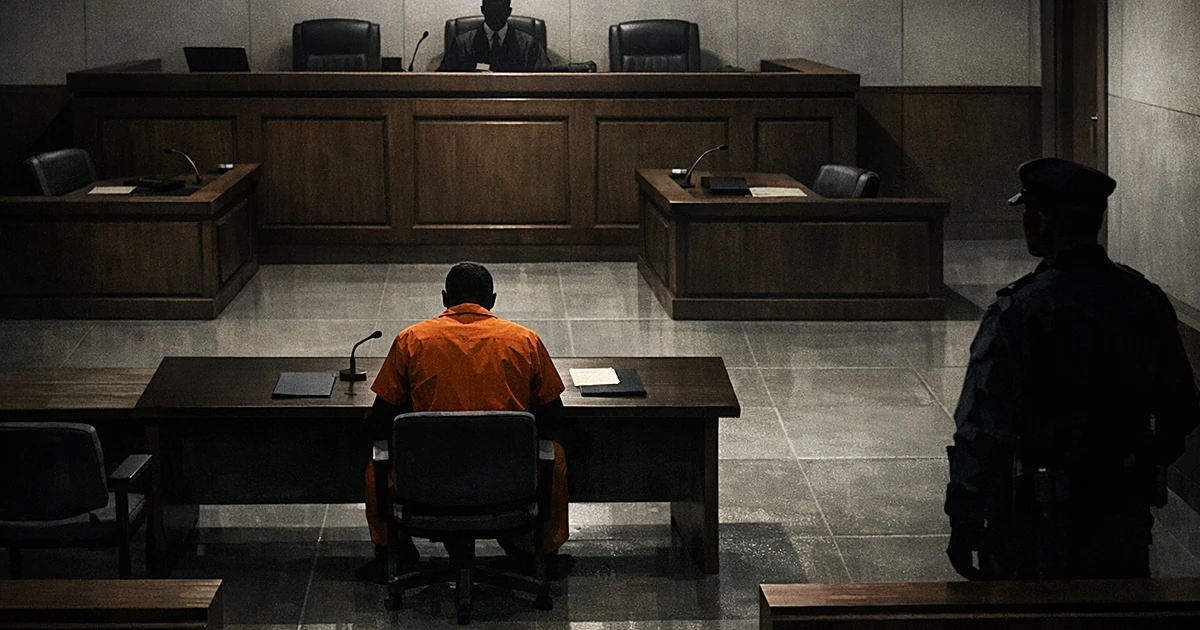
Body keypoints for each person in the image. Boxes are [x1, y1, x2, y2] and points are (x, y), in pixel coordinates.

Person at [945, 157, 1200, 580]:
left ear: (1043, 221)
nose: (1025, 222)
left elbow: (984, 429)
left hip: (1039, 522)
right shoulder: (1144, 299)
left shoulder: (1020, 312)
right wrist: (1140, 464)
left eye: (1028, 212)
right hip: (1122, 515)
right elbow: (1182, 407)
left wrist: (967, 519)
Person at [357, 262, 569, 583]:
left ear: (445, 298)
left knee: (377, 465)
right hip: (508, 482)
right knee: (556, 455)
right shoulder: (525, 341)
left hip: (426, 483)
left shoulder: (411, 341)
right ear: (493, 300)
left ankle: (394, 553)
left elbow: (379, 420)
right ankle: (536, 551)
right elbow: (554, 417)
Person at [438, 0, 551, 71]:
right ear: (483, 10)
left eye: (500, 8)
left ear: (508, 11)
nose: (495, 13)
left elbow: (546, 81)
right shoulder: (462, 44)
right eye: (491, 8)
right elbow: (442, 81)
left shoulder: (529, 45)